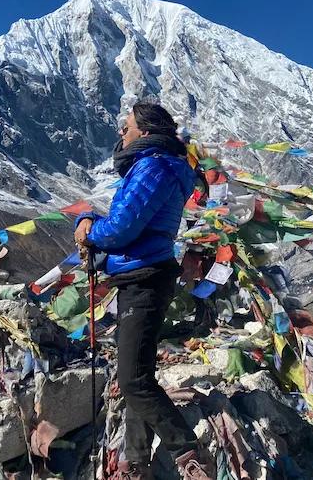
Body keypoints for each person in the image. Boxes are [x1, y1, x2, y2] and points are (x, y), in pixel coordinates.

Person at [74, 100, 212, 480]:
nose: (122, 132)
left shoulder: (152, 167)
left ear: (146, 133)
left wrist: (91, 233)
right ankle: (135, 463)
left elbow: (122, 228)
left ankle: (190, 454)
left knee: (133, 380)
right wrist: (92, 221)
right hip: (147, 275)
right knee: (139, 373)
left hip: (143, 278)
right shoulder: (162, 166)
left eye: (127, 126)